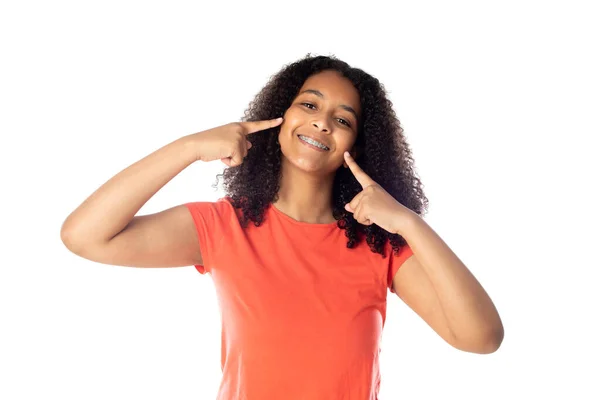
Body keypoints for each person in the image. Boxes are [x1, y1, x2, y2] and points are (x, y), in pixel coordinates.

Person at [60, 54, 504, 400]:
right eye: (309, 104)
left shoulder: (377, 247)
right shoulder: (225, 226)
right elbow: (84, 236)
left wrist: (407, 222)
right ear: (282, 116)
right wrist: (190, 146)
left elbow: (482, 338)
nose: (322, 121)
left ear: (358, 144)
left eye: (343, 119)